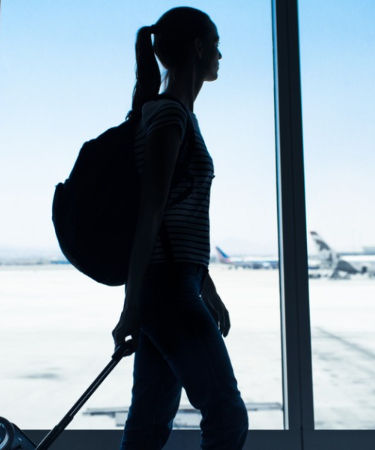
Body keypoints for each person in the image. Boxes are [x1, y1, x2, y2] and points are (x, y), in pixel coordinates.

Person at [111, 7, 248, 450]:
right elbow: (149, 214)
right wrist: (133, 307)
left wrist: (204, 287)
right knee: (226, 415)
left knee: (150, 419)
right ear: (198, 48)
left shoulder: (174, 116)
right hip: (167, 288)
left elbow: (172, 219)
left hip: (173, 283)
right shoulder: (169, 118)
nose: (222, 56)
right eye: (217, 45)